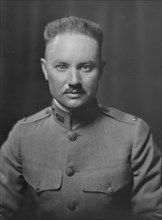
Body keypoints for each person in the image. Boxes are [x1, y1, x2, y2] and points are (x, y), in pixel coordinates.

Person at [0, 16, 161, 220]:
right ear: (44, 69)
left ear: (101, 70)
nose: (74, 81)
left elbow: (155, 213)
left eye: (86, 67)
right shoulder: (22, 134)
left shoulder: (134, 134)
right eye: (61, 67)